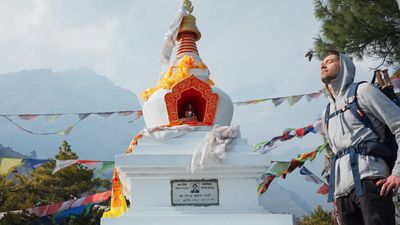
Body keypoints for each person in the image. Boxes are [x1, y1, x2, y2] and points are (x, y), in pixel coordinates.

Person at [320, 50, 400, 225]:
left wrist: (397, 173)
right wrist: (334, 192)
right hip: (342, 193)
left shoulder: (363, 91)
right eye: (322, 62)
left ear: (345, 66)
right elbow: (333, 153)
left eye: (330, 61)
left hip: (371, 179)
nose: (323, 64)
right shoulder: (326, 112)